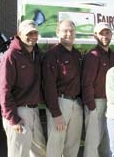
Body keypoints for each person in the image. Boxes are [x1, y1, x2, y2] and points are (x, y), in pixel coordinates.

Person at [0, 20, 46, 157]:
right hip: (17, 112)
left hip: (33, 111)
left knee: (40, 152)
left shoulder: (36, 54)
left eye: (35, 33)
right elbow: (2, 90)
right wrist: (13, 119)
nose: (33, 36)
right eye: (29, 33)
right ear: (19, 34)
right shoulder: (11, 56)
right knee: (19, 154)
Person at [42, 20, 83, 157]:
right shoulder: (52, 55)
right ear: (57, 32)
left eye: (71, 30)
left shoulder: (77, 54)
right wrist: (56, 113)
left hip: (76, 103)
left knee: (73, 144)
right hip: (60, 103)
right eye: (65, 30)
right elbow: (48, 86)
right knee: (56, 145)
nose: (68, 33)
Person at [81, 22, 114, 157]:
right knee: (93, 140)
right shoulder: (92, 55)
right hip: (95, 103)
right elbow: (87, 83)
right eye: (101, 33)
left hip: (112, 103)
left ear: (111, 35)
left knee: (107, 140)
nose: (105, 36)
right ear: (95, 36)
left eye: (107, 33)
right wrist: (91, 107)